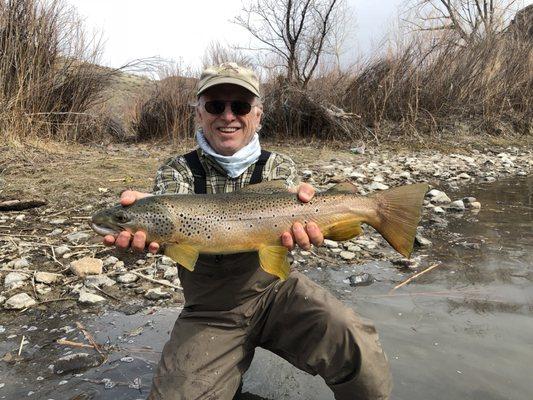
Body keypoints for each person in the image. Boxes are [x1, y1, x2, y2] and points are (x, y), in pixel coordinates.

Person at [104, 62, 392, 400]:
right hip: (212, 311)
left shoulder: (277, 166)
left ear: (257, 115)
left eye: (240, 106)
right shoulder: (177, 170)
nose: (228, 116)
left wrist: (316, 228)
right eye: (215, 106)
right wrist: (134, 231)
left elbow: (294, 225)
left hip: (276, 292)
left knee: (355, 341)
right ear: (199, 114)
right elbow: (162, 216)